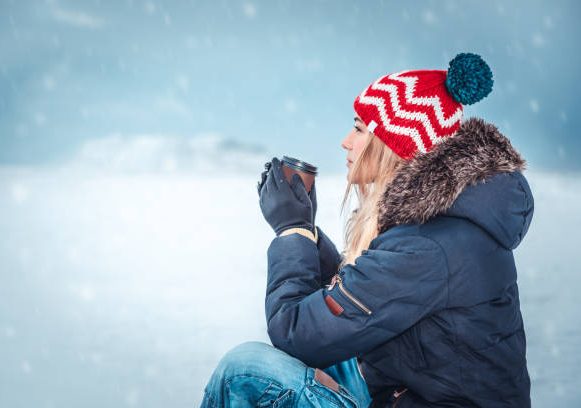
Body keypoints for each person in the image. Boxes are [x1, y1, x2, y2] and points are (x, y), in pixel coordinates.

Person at [200, 52, 533, 408]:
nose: (346, 141)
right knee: (328, 351)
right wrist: (308, 232)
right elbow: (363, 293)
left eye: (359, 129)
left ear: (394, 145)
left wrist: (291, 231)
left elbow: (296, 333)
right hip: (404, 393)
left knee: (244, 370)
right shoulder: (439, 225)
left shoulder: (429, 247)